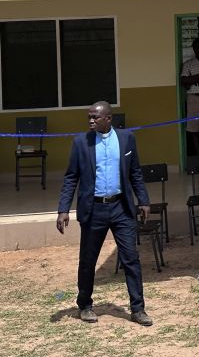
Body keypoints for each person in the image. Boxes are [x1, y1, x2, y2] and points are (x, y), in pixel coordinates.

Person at [56, 101, 153, 326]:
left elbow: (135, 172)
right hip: (94, 210)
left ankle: (138, 309)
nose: (91, 120)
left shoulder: (127, 138)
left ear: (108, 118)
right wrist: (63, 209)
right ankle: (85, 305)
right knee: (88, 261)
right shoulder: (81, 142)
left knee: (131, 259)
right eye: (89, 117)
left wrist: (144, 201)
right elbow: (71, 177)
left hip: (121, 208)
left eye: (95, 117)